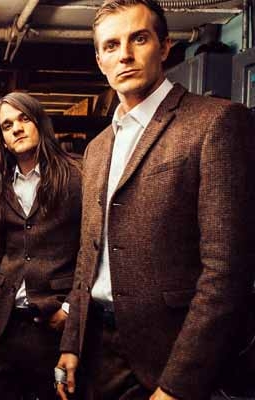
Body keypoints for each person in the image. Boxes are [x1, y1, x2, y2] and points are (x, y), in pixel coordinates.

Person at [56, 0, 255, 399]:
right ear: (99, 60)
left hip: (169, 354)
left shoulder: (215, 122)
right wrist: (71, 343)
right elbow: (88, 255)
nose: (124, 55)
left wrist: (178, 384)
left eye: (139, 39)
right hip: (96, 349)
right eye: (111, 45)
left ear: (164, 47)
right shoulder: (97, 148)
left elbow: (227, 271)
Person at [0, 92, 82, 400]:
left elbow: (91, 250)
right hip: (4, 324)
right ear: (3, 140)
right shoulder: (0, 182)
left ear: (40, 124)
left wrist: (70, 308)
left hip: (53, 321)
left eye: (24, 119)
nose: (16, 128)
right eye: (7, 125)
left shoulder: (77, 174)